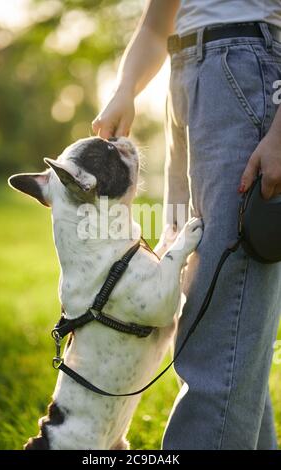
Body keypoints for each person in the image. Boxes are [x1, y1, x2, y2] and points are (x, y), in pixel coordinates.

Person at [92, 0, 281, 450]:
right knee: (218, 307)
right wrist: (125, 89)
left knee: (222, 314)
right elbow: (158, 26)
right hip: (185, 81)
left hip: (248, 68)